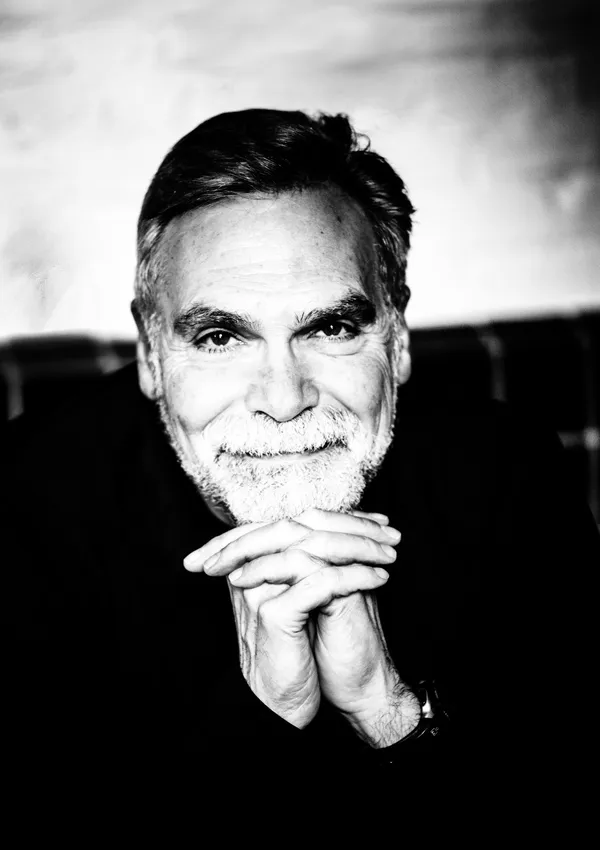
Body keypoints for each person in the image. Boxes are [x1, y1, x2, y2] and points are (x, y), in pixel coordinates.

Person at [2, 109, 598, 806]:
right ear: (150, 353)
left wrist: (388, 712)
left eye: (332, 327)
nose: (284, 401)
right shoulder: (24, 504)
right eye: (221, 336)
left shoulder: (508, 471)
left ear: (398, 336)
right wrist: (263, 713)